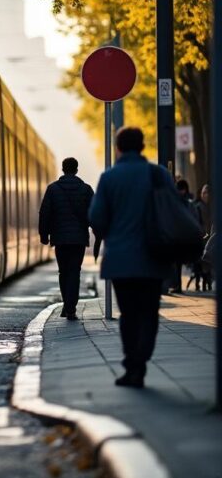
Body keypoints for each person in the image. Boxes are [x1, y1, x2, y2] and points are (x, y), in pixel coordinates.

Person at [89, 127, 176, 388]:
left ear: (118, 148)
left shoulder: (109, 178)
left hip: (121, 259)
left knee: (128, 314)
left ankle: (132, 365)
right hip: (154, 256)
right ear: (142, 146)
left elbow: (96, 218)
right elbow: (172, 209)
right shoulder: (158, 174)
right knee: (149, 313)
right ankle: (141, 361)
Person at [39, 157, 95, 320]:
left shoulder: (53, 189)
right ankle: (71, 307)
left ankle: (67, 304)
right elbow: (94, 213)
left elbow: (45, 213)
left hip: (60, 239)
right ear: (76, 170)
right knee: (74, 271)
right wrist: (97, 232)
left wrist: (44, 235)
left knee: (63, 272)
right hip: (78, 239)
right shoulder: (86, 189)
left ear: (63, 170)